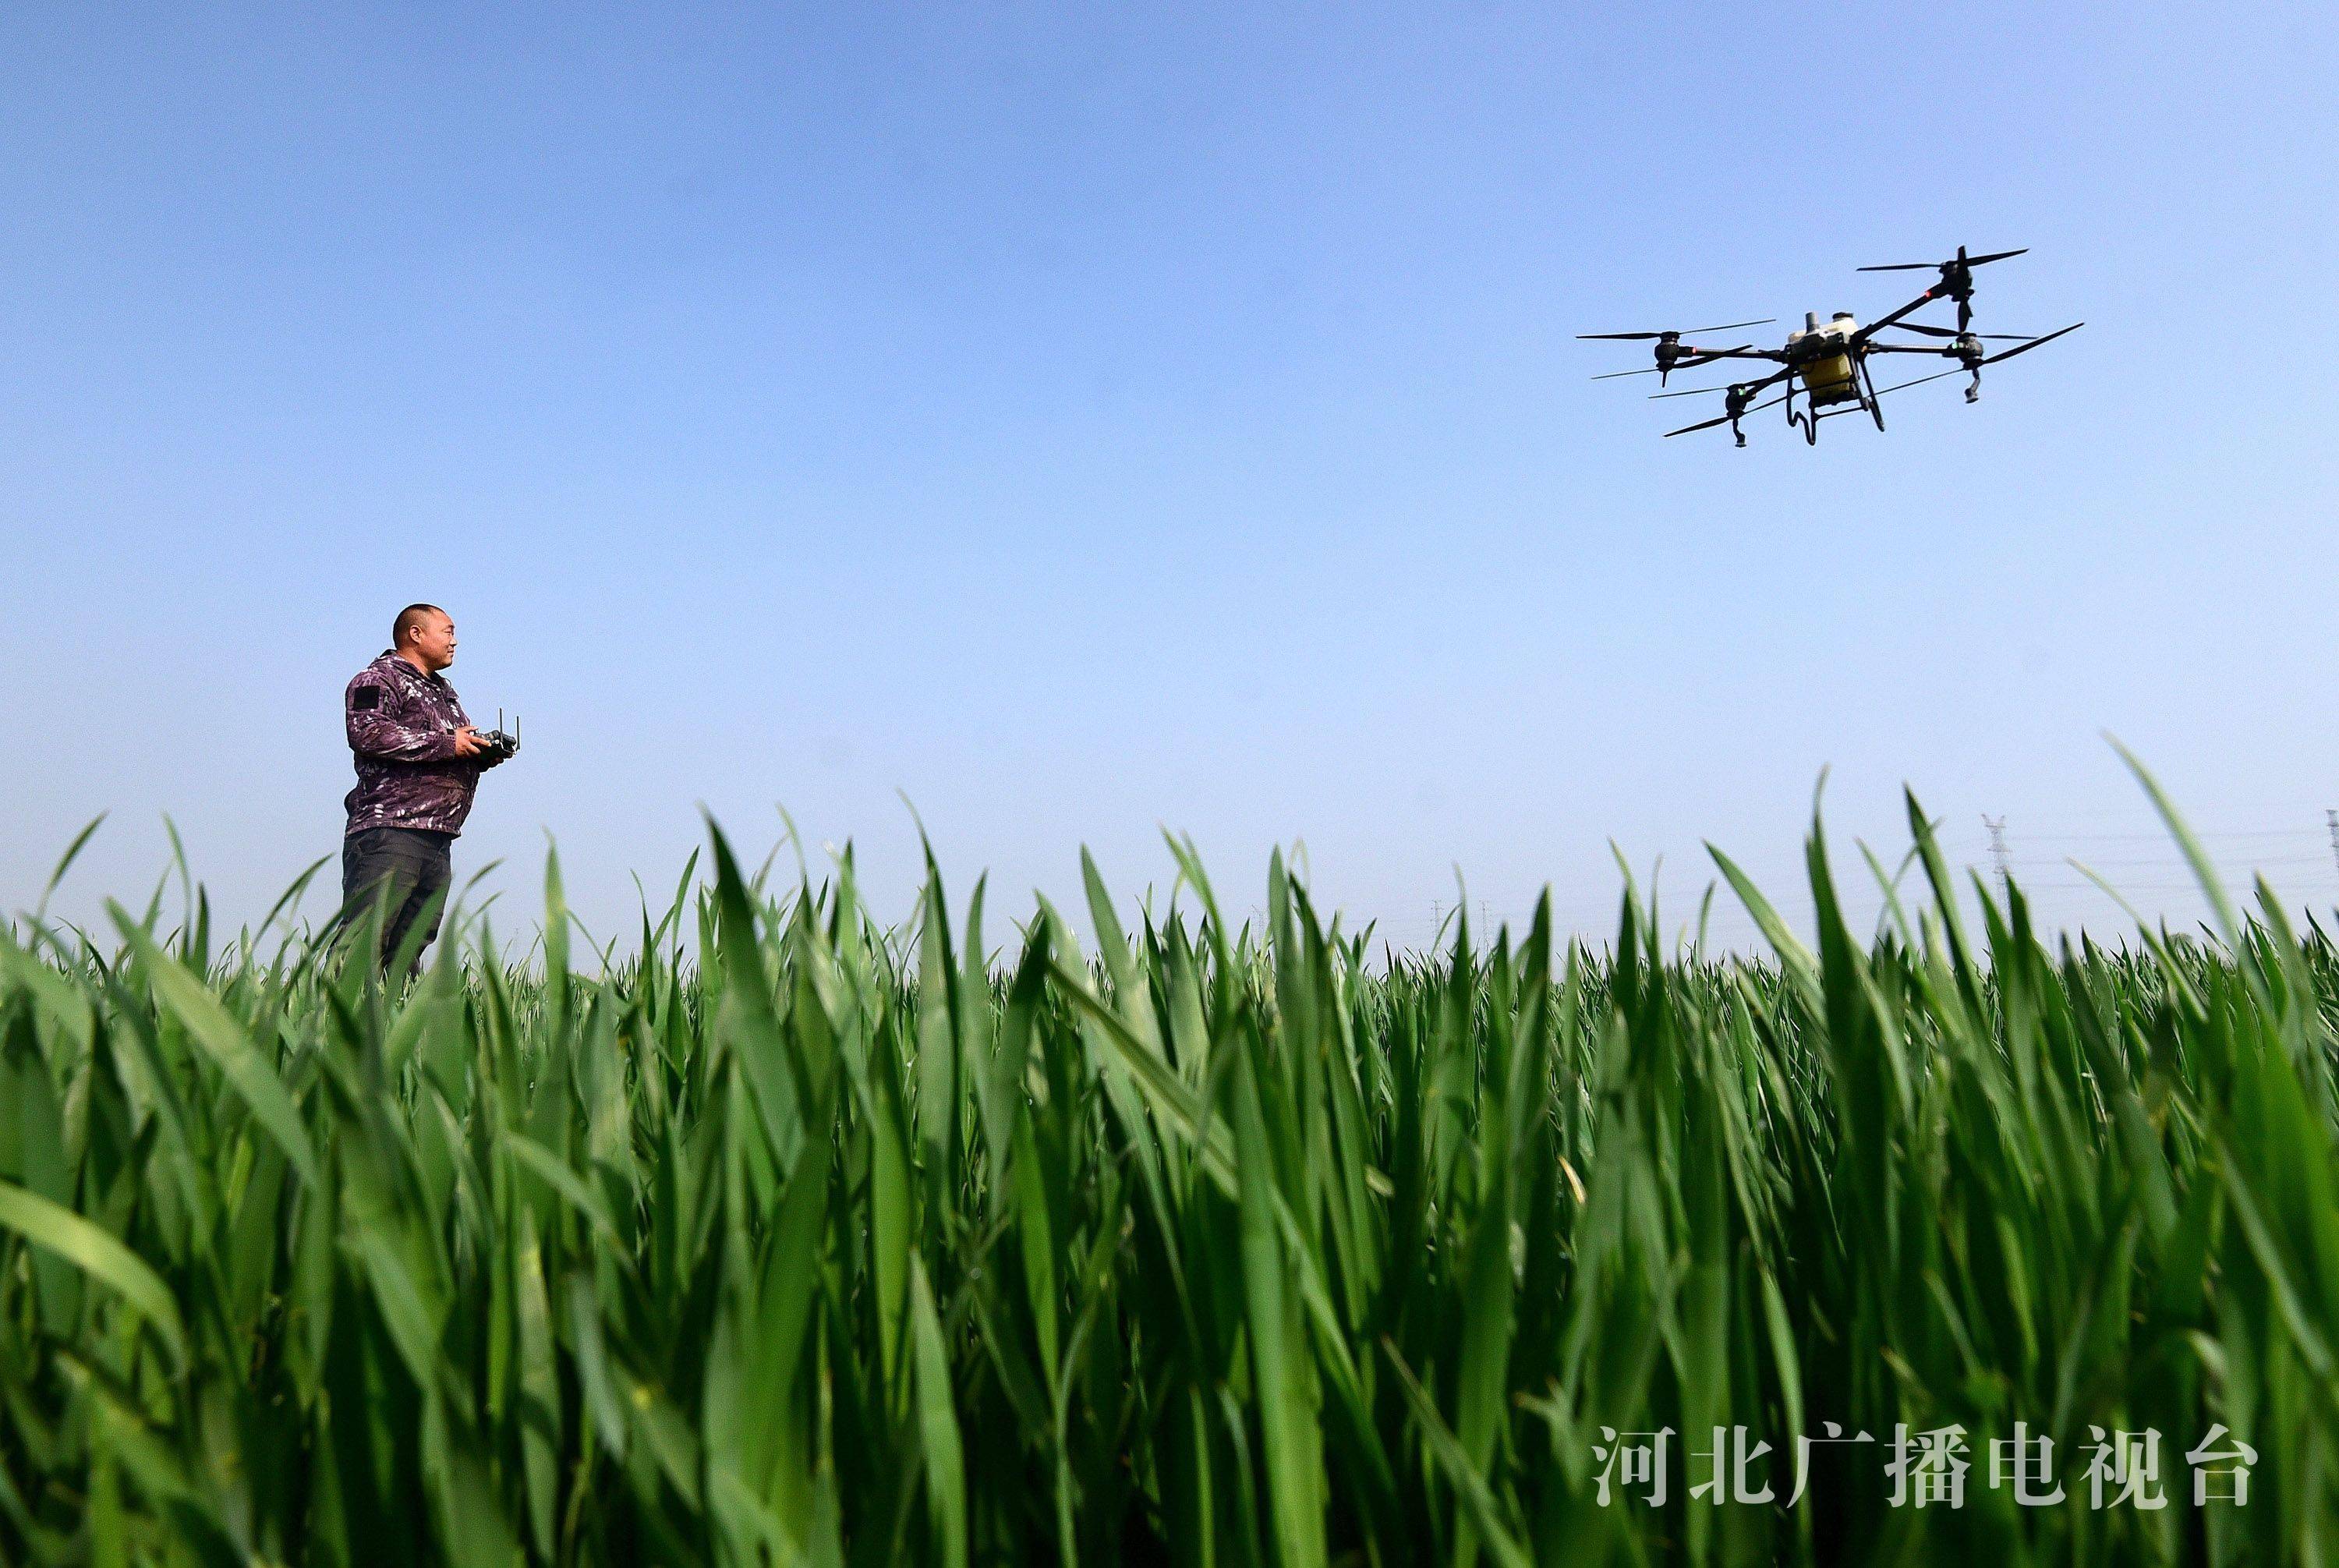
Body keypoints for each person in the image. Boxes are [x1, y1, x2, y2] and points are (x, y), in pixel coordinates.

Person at [338, 603, 515, 969]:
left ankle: (394, 1023)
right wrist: (448, 743)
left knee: (408, 950)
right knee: (364, 942)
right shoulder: (377, 680)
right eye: (448, 631)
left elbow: (446, 746)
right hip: (391, 831)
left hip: (437, 836)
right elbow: (368, 734)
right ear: (416, 635)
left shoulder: (443, 692)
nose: (455, 641)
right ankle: (335, 1022)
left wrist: (477, 753)